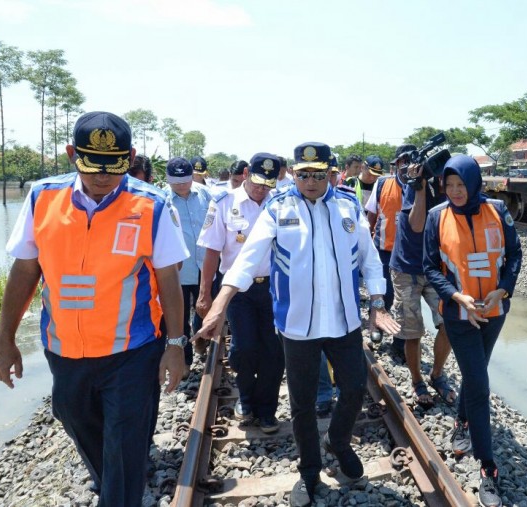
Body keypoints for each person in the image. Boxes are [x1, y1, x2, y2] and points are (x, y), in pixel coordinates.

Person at [0, 111, 189, 506]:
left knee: (125, 443)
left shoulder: (150, 204)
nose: (103, 177)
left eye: (114, 166)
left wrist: (175, 344)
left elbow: (169, 278)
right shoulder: (42, 198)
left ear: (130, 157)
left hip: (131, 353)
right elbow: (25, 269)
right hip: (65, 351)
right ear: (70, 154)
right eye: (92, 165)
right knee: (76, 421)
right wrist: (5, 339)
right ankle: (117, 482)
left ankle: (122, 489)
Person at [194, 142, 400, 507]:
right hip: (297, 326)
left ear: (330, 173)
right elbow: (246, 259)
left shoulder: (347, 207)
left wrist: (378, 303)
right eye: (303, 174)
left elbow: (369, 261)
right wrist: (220, 302)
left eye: (317, 174)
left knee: (353, 389)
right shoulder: (277, 208)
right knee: (303, 404)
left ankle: (337, 440)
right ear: (294, 173)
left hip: (345, 322)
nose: (310, 181)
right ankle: (309, 472)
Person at [423, 155, 522, 507]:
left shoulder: (497, 209)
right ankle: (488, 467)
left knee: (474, 372)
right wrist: (456, 296)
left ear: (473, 182)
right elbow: (430, 267)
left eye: (460, 185)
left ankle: (461, 423)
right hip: (458, 315)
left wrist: (504, 289)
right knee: (479, 385)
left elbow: (514, 254)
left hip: (494, 312)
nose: (454, 191)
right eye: (448, 186)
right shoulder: (438, 216)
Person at [196, 153, 284, 433]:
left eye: (267, 184)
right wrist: (204, 293)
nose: (262, 189)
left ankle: (267, 409)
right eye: (258, 182)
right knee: (244, 348)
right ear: (246, 174)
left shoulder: (281, 203)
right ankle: (246, 400)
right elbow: (212, 250)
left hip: (274, 288)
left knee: (273, 350)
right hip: (238, 290)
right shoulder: (223, 203)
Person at [389, 161, 456, 408]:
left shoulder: (450, 189)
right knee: (413, 330)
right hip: (407, 268)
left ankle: (437, 374)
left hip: (434, 268)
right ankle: (417, 381)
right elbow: (417, 225)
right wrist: (419, 187)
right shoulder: (415, 186)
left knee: (449, 322)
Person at [164, 157, 213, 372]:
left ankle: (202, 341)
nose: (182, 185)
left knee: (205, 309)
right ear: (168, 179)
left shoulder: (204, 194)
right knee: (179, 317)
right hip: (178, 271)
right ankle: (184, 361)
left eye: (185, 180)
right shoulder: (162, 200)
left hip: (205, 267)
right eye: (177, 182)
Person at [363, 144, 412, 349]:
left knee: (405, 300)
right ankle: (376, 328)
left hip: (410, 254)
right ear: (397, 164)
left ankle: (400, 343)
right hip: (383, 249)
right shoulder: (383, 184)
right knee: (384, 294)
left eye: (411, 161)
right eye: (403, 162)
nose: (407, 166)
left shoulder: (424, 187)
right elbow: (372, 215)